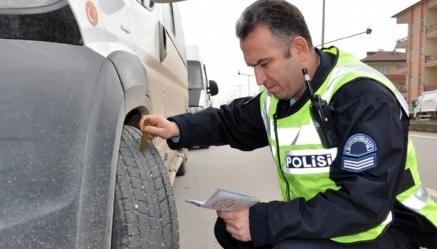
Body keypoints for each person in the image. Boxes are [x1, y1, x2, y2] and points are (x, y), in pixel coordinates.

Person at [139, 0, 437, 248]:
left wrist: (264, 220)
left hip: (387, 225)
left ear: (298, 49)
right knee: (230, 231)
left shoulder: (364, 98)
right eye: (252, 67)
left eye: (264, 64)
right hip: (330, 218)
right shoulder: (277, 98)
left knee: (277, 240)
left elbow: (364, 204)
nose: (259, 79)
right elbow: (230, 120)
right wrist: (177, 128)